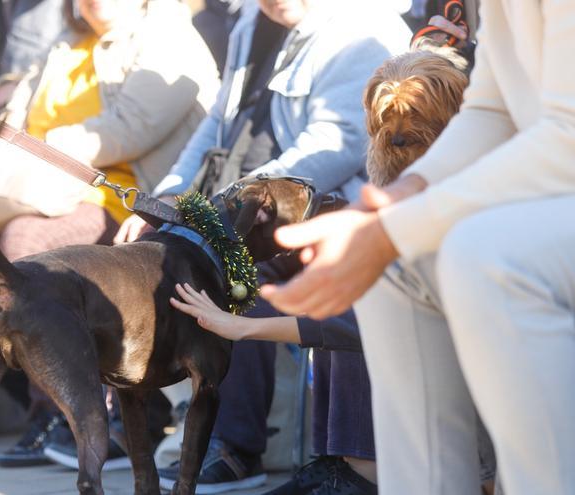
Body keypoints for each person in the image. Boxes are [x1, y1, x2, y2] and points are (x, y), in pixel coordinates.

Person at [261, 1, 575, 494]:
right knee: (395, 265)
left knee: (484, 257)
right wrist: (392, 202)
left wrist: (400, 225)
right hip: (566, 204)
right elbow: (490, 109)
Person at [0, 0, 219, 463]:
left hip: (117, 197)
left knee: (28, 242)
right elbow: (14, 121)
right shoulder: (64, 44)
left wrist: (34, 151)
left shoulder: (169, 39)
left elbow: (131, 129)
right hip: (34, 188)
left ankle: (60, 413)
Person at [115, 0, 410, 491]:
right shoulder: (253, 21)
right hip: (249, 206)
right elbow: (218, 122)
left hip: (332, 209)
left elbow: (332, 147)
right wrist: (170, 194)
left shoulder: (363, 27)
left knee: (239, 277)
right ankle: (164, 424)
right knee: (149, 251)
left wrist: (217, 210)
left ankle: (237, 445)